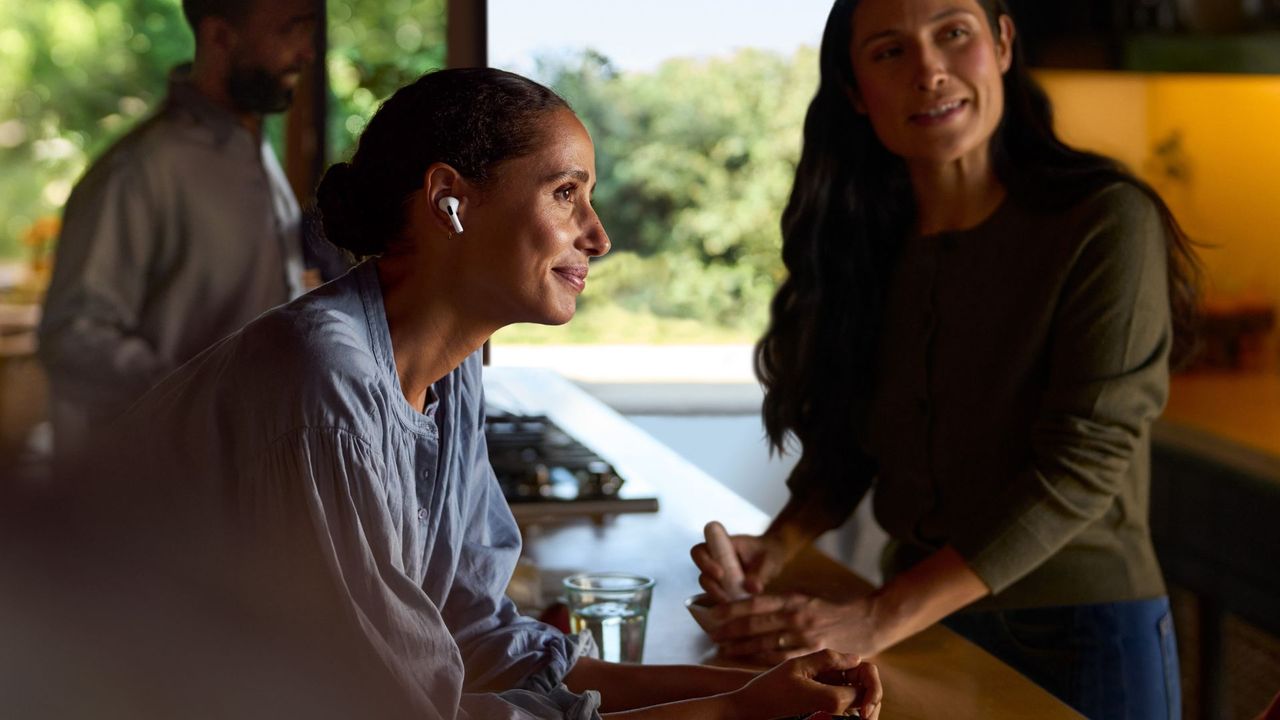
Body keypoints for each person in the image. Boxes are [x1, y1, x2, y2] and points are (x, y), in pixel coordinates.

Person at [103, 68, 883, 720]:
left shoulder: (452, 373)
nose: (598, 235)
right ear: (451, 198)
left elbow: (479, 642)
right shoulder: (325, 387)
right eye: (566, 193)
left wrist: (757, 692)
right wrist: (728, 713)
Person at [691, 1, 1198, 718]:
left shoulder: (1106, 222)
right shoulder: (865, 239)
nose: (929, 72)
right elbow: (852, 443)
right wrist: (776, 547)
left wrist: (877, 618)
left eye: (953, 34)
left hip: (1085, 637)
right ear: (854, 93)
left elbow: (1081, 469)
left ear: (1003, 44)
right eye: (890, 52)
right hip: (924, 632)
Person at [37, 0, 344, 469]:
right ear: (221, 38)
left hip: (250, 478)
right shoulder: (137, 172)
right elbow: (72, 336)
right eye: (290, 31)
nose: (307, 54)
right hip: (162, 497)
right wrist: (204, 400)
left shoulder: (257, 153)